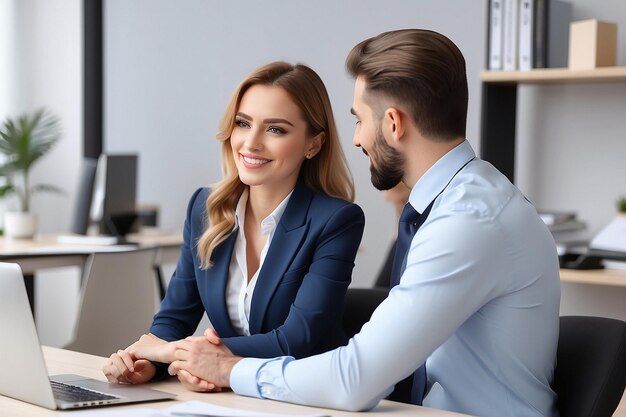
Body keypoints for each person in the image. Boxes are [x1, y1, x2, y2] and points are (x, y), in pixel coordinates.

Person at [130, 29, 561, 417]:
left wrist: (228, 368)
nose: (355, 138)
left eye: (359, 119)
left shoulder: (468, 222)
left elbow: (355, 379)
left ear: (393, 124)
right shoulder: (456, 203)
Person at [102, 61, 365, 386]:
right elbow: (174, 317)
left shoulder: (335, 221)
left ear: (314, 144)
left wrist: (178, 354)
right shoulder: (205, 207)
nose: (251, 142)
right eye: (243, 123)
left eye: (275, 129)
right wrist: (147, 365)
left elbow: (296, 340)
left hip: (306, 396)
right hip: (234, 396)